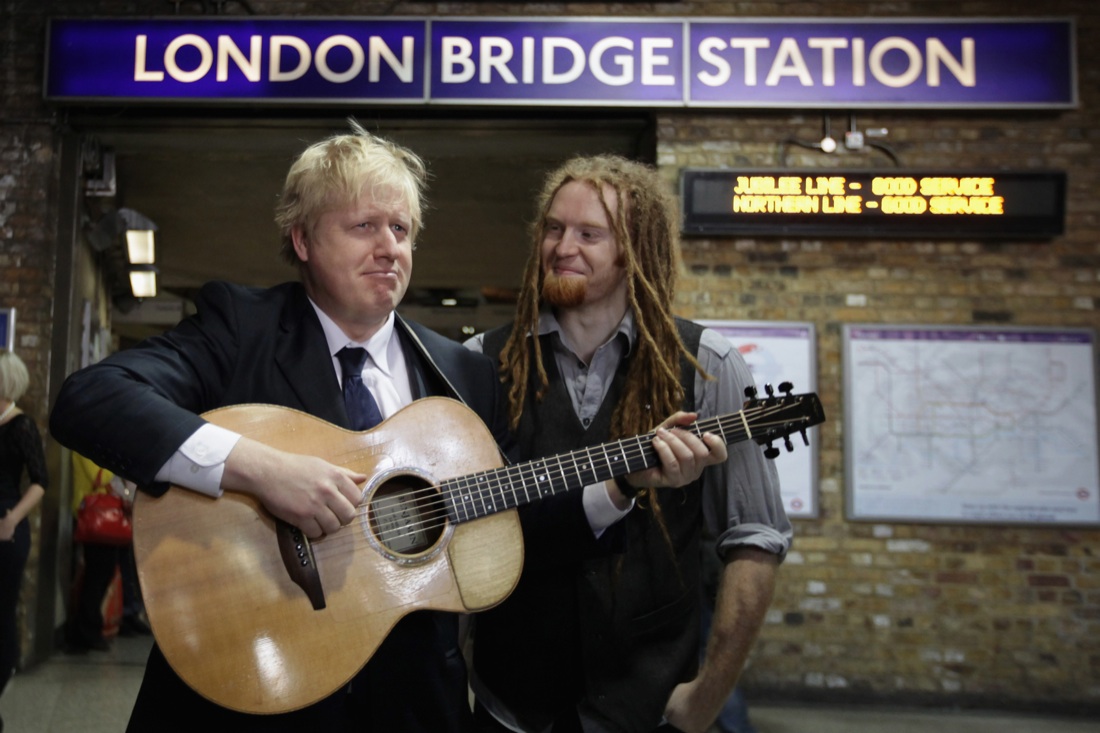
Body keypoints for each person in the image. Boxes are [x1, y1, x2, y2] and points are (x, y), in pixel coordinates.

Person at [50, 121, 510, 733]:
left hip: (412, 700)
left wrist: (617, 488)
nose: (389, 247)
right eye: (363, 226)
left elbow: (506, 512)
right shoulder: (240, 326)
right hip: (246, 683)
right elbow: (91, 398)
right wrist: (261, 469)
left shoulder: (462, 374)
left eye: (401, 229)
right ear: (301, 240)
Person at [466, 155, 791, 733]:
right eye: (554, 228)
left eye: (590, 234)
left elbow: (754, 542)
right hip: (510, 705)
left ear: (634, 250)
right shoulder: (481, 363)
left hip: (652, 705)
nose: (564, 246)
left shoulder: (707, 364)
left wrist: (708, 696)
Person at [0, 350, 48, 727]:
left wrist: (12, 519)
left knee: (1, 613)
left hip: (6, 530)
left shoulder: (21, 426)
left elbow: (40, 482)